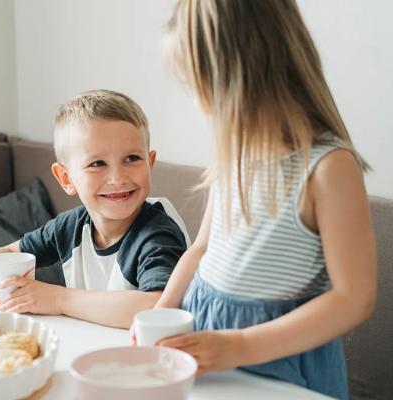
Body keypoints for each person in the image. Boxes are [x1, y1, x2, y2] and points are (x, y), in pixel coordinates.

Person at [147, 1, 377, 398]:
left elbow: (353, 298)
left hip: (280, 365)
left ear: (239, 80)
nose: (200, 104)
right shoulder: (234, 157)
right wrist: (159, 313)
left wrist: (241, 346)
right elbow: (200, 250)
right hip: (210, 350)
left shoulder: (327, 169)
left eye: (200, 88)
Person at [0, 89, 189, 328]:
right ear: (66, 178)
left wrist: (57, 299)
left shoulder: (158, 234)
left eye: (131, 159)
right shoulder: (70, 226)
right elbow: (4, 253)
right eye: (97, 163)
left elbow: (156, 307)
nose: (118, 178)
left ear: (150, 163)